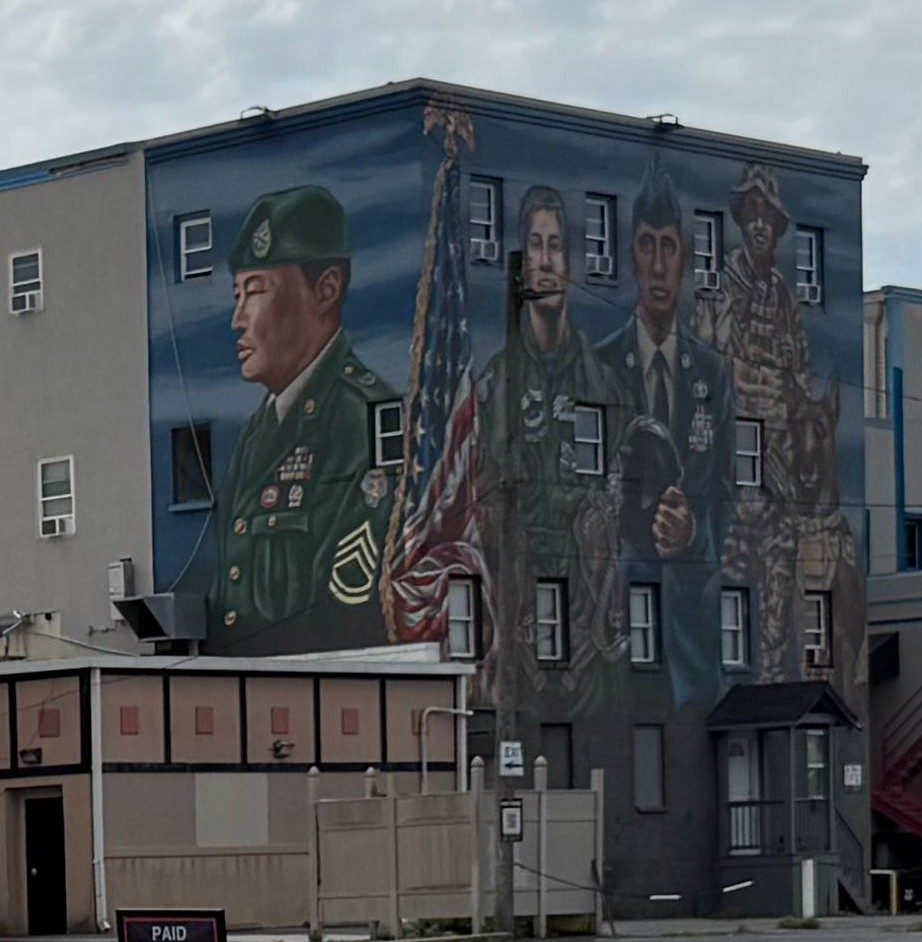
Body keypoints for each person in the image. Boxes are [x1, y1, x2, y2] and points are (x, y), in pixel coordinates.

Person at [208, 185, 398, 655]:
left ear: (326, 289)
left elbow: (348, 605)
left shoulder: (364, 415)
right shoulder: (258, 432)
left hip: (323, 694)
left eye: (255, 292)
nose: (237, 319)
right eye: (237, 294)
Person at [477, 185, 629, 715]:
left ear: (570, 261)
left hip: (588, 631)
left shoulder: (603, 385)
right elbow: (484, 505)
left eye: (555, 246)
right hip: (519, 625)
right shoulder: (495, 383)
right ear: (521, 264)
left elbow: (619, 497)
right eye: (535, 246)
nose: (544, 260)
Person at [598, 156, 733, 707]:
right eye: (647, 245)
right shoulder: (601, 365)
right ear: (631, 253)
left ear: (684, 260)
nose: (658, 265)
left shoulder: (712, 372)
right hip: (618, 643)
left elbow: (725, 497)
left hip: (694, 653)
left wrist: (691, 531)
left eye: (669, 247)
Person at [693, 163, 810, 681]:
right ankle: (720, 661)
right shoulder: (724, 285)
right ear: (741, 222)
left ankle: (770, 667)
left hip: (778, 456)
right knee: (734, 556)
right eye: (753, 214)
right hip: (732, 453)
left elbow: (800, 373)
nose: (761, 225)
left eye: (769, 217)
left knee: (784, 554)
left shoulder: (785, 296)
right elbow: (707, 359)